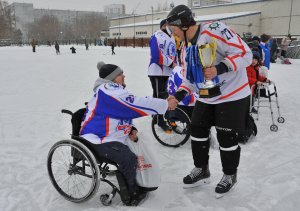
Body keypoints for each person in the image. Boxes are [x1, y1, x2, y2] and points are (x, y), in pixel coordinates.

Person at [166, 4, 252, 196]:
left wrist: (220, 68)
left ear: (184, 25)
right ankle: (202, 169)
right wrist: (177, 96)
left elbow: (246, 54)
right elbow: (189, 78)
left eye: (173, 29)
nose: (173, 34)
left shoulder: (215, 30)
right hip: (207, 95)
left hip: (233, 94)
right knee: (196, 128)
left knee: (225, 136)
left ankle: (230, 174)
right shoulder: (187, 47)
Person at [80, 61, 178, 206]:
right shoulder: (108, 90)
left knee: (135, 148)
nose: (124, 76)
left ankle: (135, 180)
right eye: (120, 74)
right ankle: (131, 194)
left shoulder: (112, 89)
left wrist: (131, 129)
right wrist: (164, 104)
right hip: (96, 138)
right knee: (128, 158)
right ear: (112, 78)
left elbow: (121, 112)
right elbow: (133, 104)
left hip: (108, 135)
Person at [148, 19, 177, 132]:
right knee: (160, 96)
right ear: (165, 25)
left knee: (164, 96)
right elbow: (156, 56)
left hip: (168, 72)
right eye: (172, 25)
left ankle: (156, 115)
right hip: (157, 72)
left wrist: (177, 66)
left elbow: (173, 54)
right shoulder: (157, 35)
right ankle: (160, 120)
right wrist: (171, 64)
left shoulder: (172, 37)